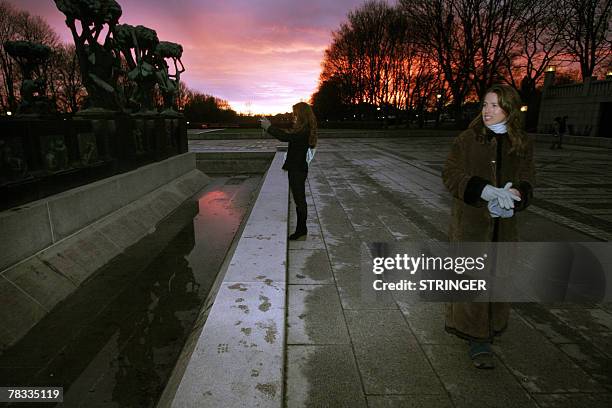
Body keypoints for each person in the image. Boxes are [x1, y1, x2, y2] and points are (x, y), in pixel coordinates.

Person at [442, 84, 535, 369]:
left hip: (503, 229)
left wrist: (515, 198)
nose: (487, 111)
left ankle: (491, 327)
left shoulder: (521, 143)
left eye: (494, 105)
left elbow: (529, 179)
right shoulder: (468, 139)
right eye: (484, 105)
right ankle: (476, 338)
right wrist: (483, 191)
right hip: (471, 224)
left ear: (509, 108)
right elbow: (450, 174)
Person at [259, 102, 318, 240]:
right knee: (299, 200)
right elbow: (286, 131)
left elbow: (285, 137)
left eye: (295, 114)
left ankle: (301, 230)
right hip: (297, 169)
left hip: (298, 170)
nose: (294, 116)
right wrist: (270, 125)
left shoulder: (304, 131)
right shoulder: (303, 129)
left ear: (302, 115)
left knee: (300, 200)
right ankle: (301, 228)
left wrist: (268, 127)